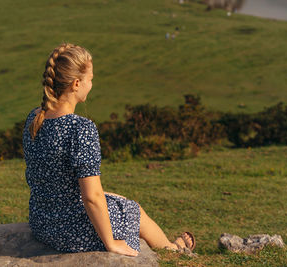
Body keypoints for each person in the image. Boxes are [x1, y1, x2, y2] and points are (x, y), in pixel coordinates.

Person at [22, 43, 196, 257]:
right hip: (71, 230)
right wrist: (110, 242)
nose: (92, 84)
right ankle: (173, 249)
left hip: (42, 222)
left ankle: (171, 245)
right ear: (76, 83)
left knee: (113, 197)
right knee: (132, 210)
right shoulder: (80, 129)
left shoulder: (34, 118)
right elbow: (91, 197)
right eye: (91, 79)